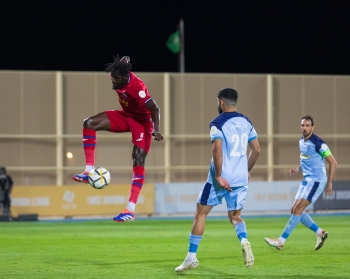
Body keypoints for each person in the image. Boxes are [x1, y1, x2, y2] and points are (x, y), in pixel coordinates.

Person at [175, 88, 260, 273]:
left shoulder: (217, 123)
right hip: (240, 178)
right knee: (235, 216)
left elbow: (217, 150)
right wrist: (246, 170)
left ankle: (191, 258)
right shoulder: (246, 121)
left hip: (221, 177)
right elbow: (257, 150)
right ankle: (244, 239)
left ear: (221, 102)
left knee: (200, 213)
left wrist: (219, 176)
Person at [72, 55, 163, 222]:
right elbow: (124, 62)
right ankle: (88, 171)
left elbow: (155, 109)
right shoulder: (118, 72)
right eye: (112, 77)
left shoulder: (138, 88)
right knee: (89, 123)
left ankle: (130, 209)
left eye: (116, 78)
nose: (113, 80)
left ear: (125, 77)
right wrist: (124, 60)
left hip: (142, 123)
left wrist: (156, 129)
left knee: (137, 158)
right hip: (126, 116)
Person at [264, 115, 337, 251]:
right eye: (303, 125)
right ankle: (320, 233)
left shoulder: (319, 143)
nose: (304, 128)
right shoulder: (301, 141)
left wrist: (330, 183)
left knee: (298, 209)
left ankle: (281, 241)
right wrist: (298, 169)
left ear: (312, 127)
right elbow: (307, 160)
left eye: (307, 125)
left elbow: (333, 162)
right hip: (306, 179)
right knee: (294, 209)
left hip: (316, 180)